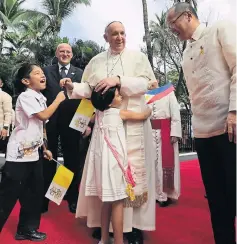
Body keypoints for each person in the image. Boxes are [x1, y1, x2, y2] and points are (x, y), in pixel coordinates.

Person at [61, 21, 156, 244]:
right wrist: (73, 87)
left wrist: (119, 80)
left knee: (131, 180)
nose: (119, 37)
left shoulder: (138, 58)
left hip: (132, 124)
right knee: (106, 180)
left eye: (123, 33)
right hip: (106, 126)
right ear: (106, 37)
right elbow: (89, 89)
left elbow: (148, 84)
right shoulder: (96, 61)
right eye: (114, 34)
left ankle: (132, 229)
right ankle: (104, 230)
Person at [167, 3, 236, 244]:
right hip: (203, 134)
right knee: (217, 201)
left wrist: (234, 112)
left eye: (172, 23)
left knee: (234, 194)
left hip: (230, 128)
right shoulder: (185, 53)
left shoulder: (219, 29)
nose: (171, 29)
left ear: (187, 16)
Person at [0, 63, 65, 241]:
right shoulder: (25, 96)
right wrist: (59, 100)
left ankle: (27, 229)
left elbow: (41, 126)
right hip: (19, 154)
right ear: (26, 81)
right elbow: (43, 116)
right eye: (37, 73)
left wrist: (45, 148)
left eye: (43, 73)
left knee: (34, 194)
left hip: (34, 153)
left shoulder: (40, 97)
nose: (42, 75)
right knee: (7, 194)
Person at [87, 86, 151, 244]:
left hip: (102, 163)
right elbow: (142, 115)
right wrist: (149, 106)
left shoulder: (99, 115)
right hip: (115, 164)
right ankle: (119, 241)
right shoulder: (118, 112)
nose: (121, 97)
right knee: (118, 203)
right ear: (109, 102)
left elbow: (87, 119)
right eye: (117, 95)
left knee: (106, 202)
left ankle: (103, 239)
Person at [42, 43, 85, 214]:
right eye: (62, 51)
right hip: (50, 122)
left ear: (72, 55)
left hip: (72, 123)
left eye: (68, 51)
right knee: (48, 160)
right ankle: (45, 199)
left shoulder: (80, 73)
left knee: (71, 161)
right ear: (56, 53)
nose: (65, 54)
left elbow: (85, 99)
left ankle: (71, 197)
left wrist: (84, 124)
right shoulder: (46, 71)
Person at [149, 82, 182, 207]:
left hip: (165, 132)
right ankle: (154, 194)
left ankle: (165, 195)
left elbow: (175, 113)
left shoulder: (168, 92)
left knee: (163, 164)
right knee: (152, 163)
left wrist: (175, 132)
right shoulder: (145, 95)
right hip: (150, 132)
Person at [0, 78, 12, 153]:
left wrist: (5, 128)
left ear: (1, 84)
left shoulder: (5, 96)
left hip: (1, 128)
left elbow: (8, 113)